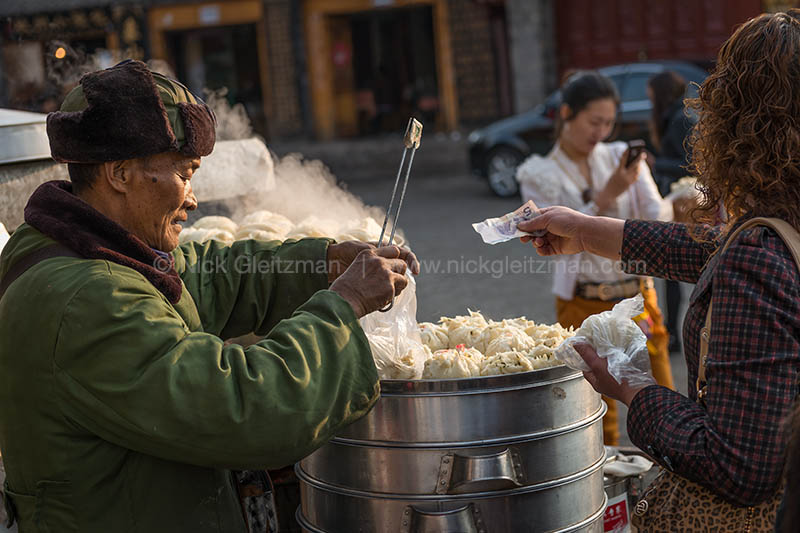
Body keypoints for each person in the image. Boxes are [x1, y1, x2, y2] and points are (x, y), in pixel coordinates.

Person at [0, 60, 419, 533]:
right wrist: (344, 305)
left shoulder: (94, 248)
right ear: (119, 174)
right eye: (184, 173)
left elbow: (210, 276)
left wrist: (320, 263)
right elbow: (245, 409)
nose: (194, 199)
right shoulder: (84, 300)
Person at [517, 10, 800, 527]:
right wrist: (585, 228)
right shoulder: (777, 231)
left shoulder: (757, 260)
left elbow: (738, 467)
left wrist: (632, 388)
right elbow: (714, 247)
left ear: (736, 125)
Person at [515, 71, 674, 445]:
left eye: (608, 123)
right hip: (582, 299)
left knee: (661, 389)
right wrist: (608, 195)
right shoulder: (537, 173)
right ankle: (608, 488)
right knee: (595, 408)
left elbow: (656, 220)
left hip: (635, 295)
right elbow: (556, 231)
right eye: (593, 122)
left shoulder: (620, 156)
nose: (600, 132)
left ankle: (673, 473)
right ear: (567, 113)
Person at [647, 70, 698, 353]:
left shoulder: (680, 119)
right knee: (671, 269)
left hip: (682, 201)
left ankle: (678, 335)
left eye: (651, 92)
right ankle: (673, 333)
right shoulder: (674, 116)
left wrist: (657, 164)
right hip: (673, 198)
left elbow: (691, 164)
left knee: (674, 267)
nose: (648, 97)